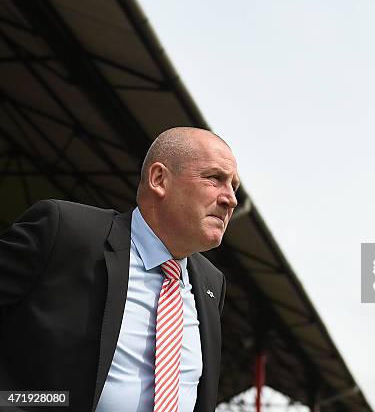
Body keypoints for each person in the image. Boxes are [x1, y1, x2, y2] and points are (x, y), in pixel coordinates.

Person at [0, 127, 240, 412]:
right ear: (159, 179)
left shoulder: (211, 284)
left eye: (233, 187)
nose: (231, 199)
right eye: (215, 178)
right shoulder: (65, 231)